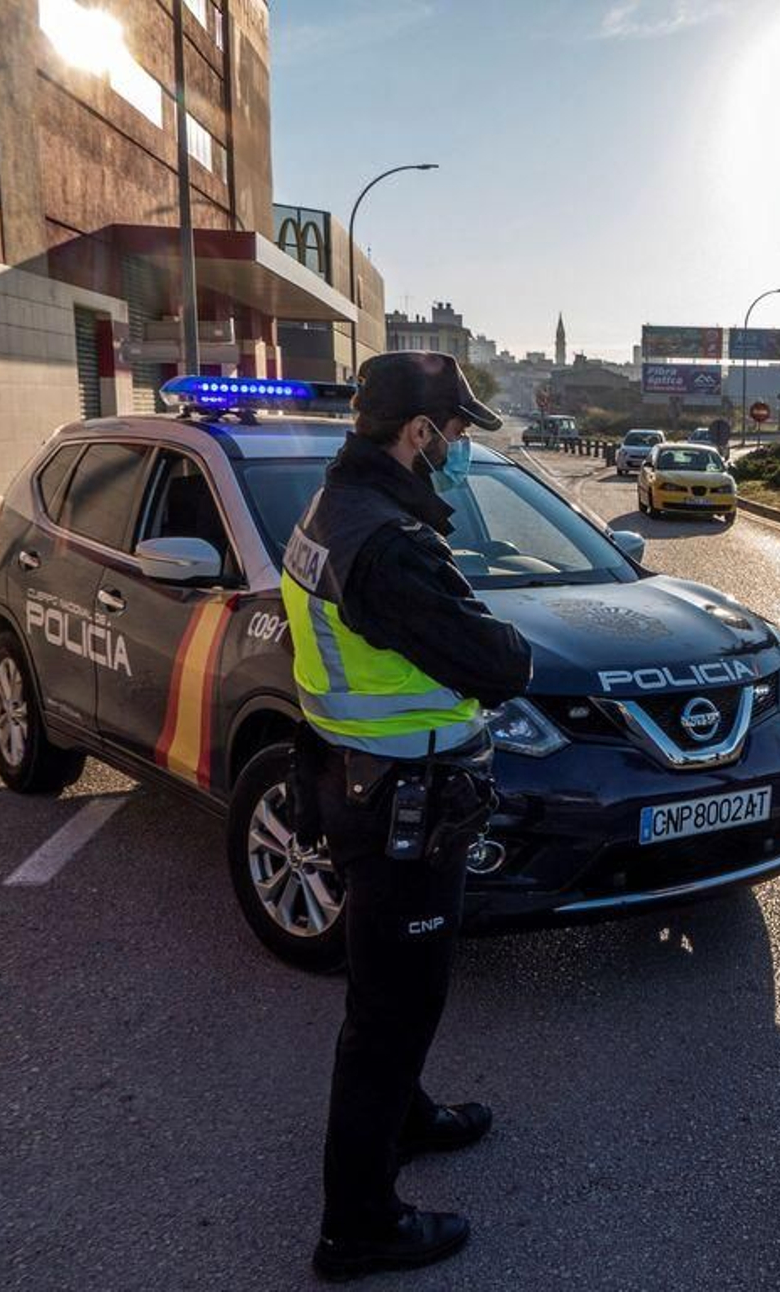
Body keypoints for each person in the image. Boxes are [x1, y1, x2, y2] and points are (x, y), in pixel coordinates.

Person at [281, 351, 533, 1281]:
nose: (463, 451)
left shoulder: (336, 506)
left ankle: (409, 1115)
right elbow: (500, 662)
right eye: (458, 435)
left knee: (398, 991)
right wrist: (500, 635)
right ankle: (357, 1225)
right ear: (419, 435)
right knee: (391, 1008)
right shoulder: (385, 544)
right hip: (398, 798)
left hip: (368, 783)